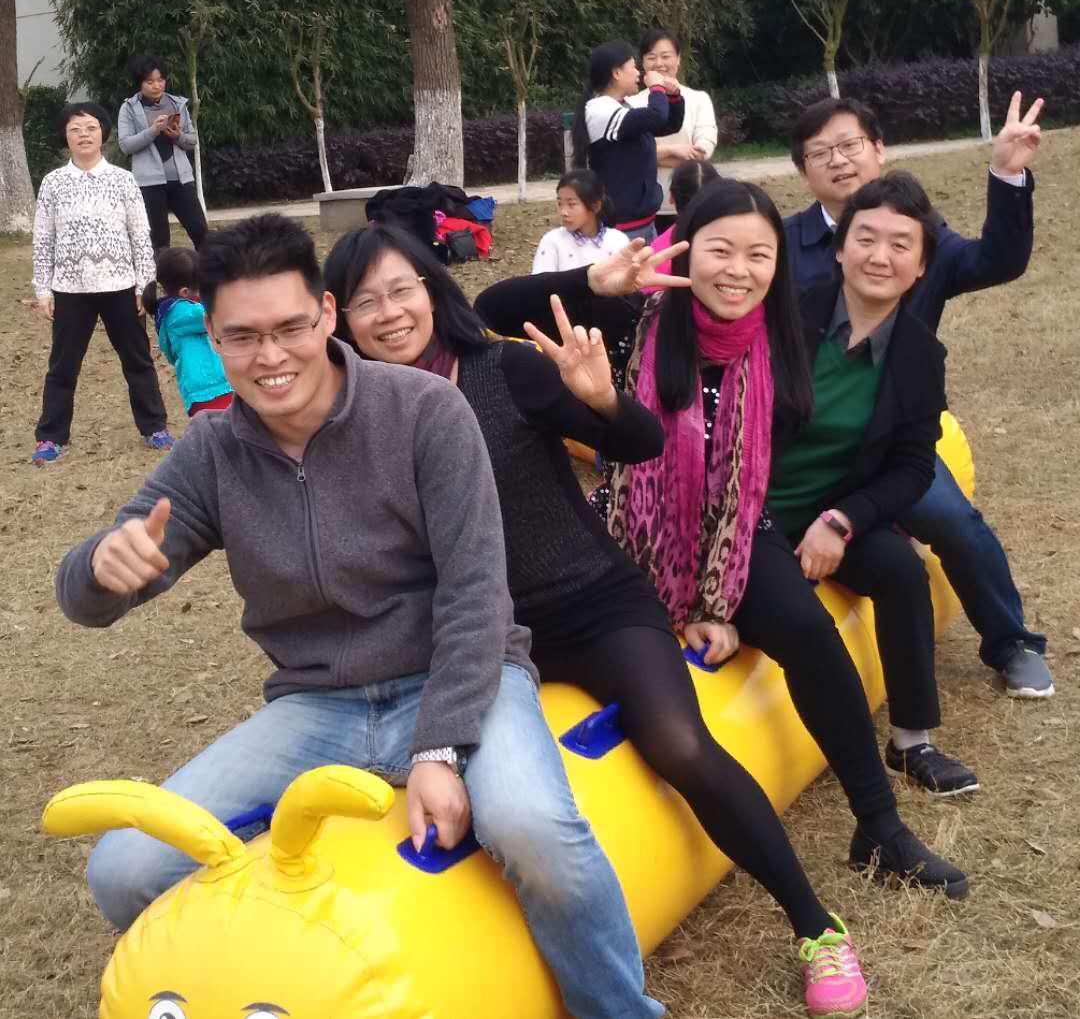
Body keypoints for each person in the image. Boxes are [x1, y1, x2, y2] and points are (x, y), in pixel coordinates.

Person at [54, 213, 662, 1019]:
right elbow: (93, 587)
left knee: (534, 829)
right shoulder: (212, 451)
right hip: (318, 705)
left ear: (325, 316)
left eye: (288, 328)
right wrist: (100, 568)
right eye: (242, 338)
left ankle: (620, 1010)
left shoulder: (423, 410)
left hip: (457, 678)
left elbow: (478, 590)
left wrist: (439, 745)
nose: (270, 357)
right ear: (213, 338)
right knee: (122, 869)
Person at [327, 221, 868, 1017]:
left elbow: (639, 441)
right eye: (366, 301)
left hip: (591, 604)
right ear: (340, 318)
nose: (389, 313)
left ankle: (816, 926)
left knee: (681, 744)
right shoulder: (349, 417)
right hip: (481, 635)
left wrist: (601, 396)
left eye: (401, 289)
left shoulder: (505, 369)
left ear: (431, 292)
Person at [476, 182, 968, 900]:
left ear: (778, 264)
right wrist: (592, 282)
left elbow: (761, 471)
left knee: (809, 630)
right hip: (627, 530)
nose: (738, 270)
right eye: (720, 250)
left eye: (758, 255)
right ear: (687, 251)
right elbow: (490, 311)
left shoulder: (784, 334)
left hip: (734, 528)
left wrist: (721, 594)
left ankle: (880, 825)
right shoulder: (633, 315)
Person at [785, 93, 1053, 701]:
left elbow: (996, 260)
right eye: (821, 152)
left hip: (891, 442)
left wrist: (1006, 173)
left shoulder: (921, 233)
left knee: (951, 520)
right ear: (803, 170)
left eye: (850, 145)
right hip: (800, 447)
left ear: (878, 149)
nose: (839, 160)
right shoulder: (782, 244)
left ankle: (1011, 641)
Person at [768, 171, 977, 797]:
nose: (880, 256)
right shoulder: (784, 316)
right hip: (749, 510)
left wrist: (843, 521)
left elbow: (913, 467)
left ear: (921, 266)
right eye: (866, 238)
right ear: (840, 248)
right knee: (799, 619)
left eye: (900, 244)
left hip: (833, 510)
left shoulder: (919, 355)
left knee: (902, 571)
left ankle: (912, 739)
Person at [31, 101, 174, 466]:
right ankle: (51, 437)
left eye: (91, 128)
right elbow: (43, 239)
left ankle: (154, 427)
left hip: (121, 287)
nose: (84, 135)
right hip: (70, 289)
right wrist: (43, 289)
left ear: (103, 134)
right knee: (62, 366)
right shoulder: (53, 183)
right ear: (65, 136)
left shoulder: (123, 180)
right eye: (75, 129)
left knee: (137, 360)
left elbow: (140, 235)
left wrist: (145, 285)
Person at [571, 39, 685, 245]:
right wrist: (656, 88)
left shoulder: (623, 106)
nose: (638, 73)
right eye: (633, 67)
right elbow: (656, 117)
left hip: (643, 222)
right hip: (622, 228)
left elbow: (667, 124)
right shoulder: (600, 110)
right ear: (617, 73)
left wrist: (674, 96)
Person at [118, 57, 207, 252]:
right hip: (149, 183)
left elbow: (192, 141)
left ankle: (209, 270)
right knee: (159, 241)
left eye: (160, 80)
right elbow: (126, 145)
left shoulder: (177, 104)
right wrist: (153, 131)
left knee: (201, 231)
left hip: (181, 180)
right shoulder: (129, 108)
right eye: (150, 82)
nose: (156, 85)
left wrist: (178, 136)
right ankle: (160, 271)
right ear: (140, 83)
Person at [142, 247, 233, 416]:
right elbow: (218, 313)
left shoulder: (169, 310)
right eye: (203, 287)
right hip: (209, 389)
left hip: (212, 387)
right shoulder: (181, 313)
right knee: (221, 429)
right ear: (185, 292)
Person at [628, 28, 718, 199]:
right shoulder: (631, 104)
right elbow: (631, 154)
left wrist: (655, 156)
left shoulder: (699, 99)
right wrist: (675, 150)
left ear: (678, 59)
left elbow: (703, 150)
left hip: (693, 197)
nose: (659, 63)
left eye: (666, 56)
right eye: (651, 57)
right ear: (643, 63)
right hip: (645, 199)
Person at [531, 169, 630, 273]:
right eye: (560, 204)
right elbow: (540, 281)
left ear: (595, 206)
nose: (563, 212)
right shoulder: (552, 241)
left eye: (571, 204)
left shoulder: (618, 240)